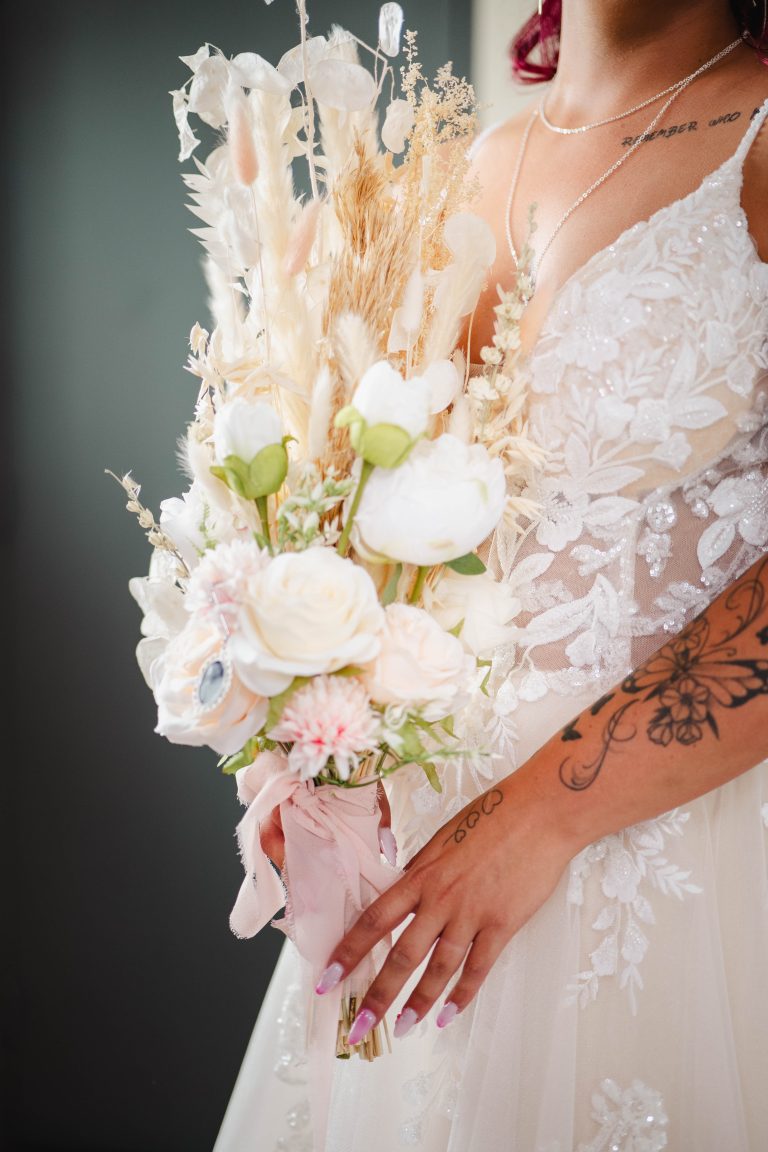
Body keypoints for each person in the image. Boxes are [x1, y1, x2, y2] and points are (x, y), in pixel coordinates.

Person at [215, 2, 768, 1148]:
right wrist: (314, 751)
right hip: (426, 873)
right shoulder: (451, 170)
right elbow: (355, 526)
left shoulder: (756, 136)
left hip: (673, 852)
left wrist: (542, 817)